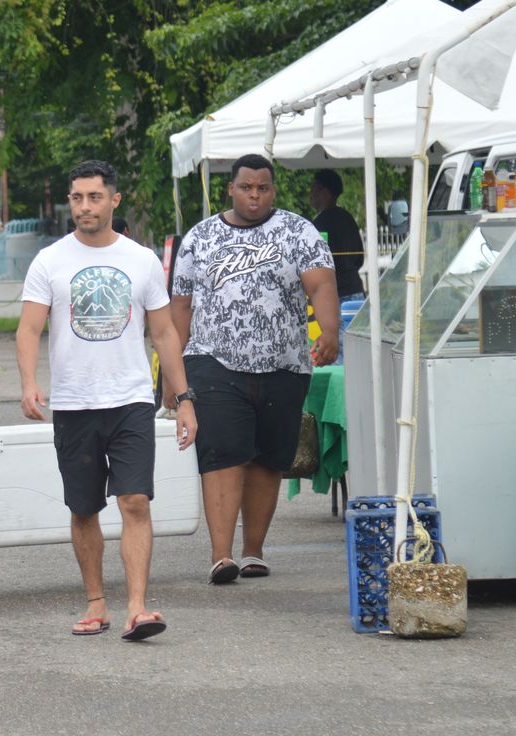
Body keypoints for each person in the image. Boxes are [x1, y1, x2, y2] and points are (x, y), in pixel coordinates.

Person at [17, 159, 197, 641]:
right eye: (77, 198)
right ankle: (97, 602)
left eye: (94, 197)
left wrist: (184, 398)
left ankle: (137, 607)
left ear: (114, 200)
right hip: (74, 404)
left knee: (134, 499)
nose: (84, 206)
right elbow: (29, 327)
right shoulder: (49, 261)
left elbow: (163, 333)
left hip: (130, 400)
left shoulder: (140, 260)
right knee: (83, 508)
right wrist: (29, 382)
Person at [168, 153, 339, 584]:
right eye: (247, 187)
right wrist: (171, 376)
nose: (255, 195)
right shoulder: (200, 238)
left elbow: (320, 283)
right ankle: (222, 555)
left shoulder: (297, 231)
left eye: (263, 188)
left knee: (268, 458)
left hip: (284, 364)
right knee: (223, 454)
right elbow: (181, 306)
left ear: (273, 190)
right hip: (213, 361)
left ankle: (253, 551)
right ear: (231, 188)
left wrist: (330, 332)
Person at [310, 169, 365, 364]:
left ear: (325, 191)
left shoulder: (319, 223)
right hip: (356, 293)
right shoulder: (347, 217)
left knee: (339, 357)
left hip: (336, 297)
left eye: (314, 189)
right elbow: (360, 258)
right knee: (356, 355)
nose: (311, 194)